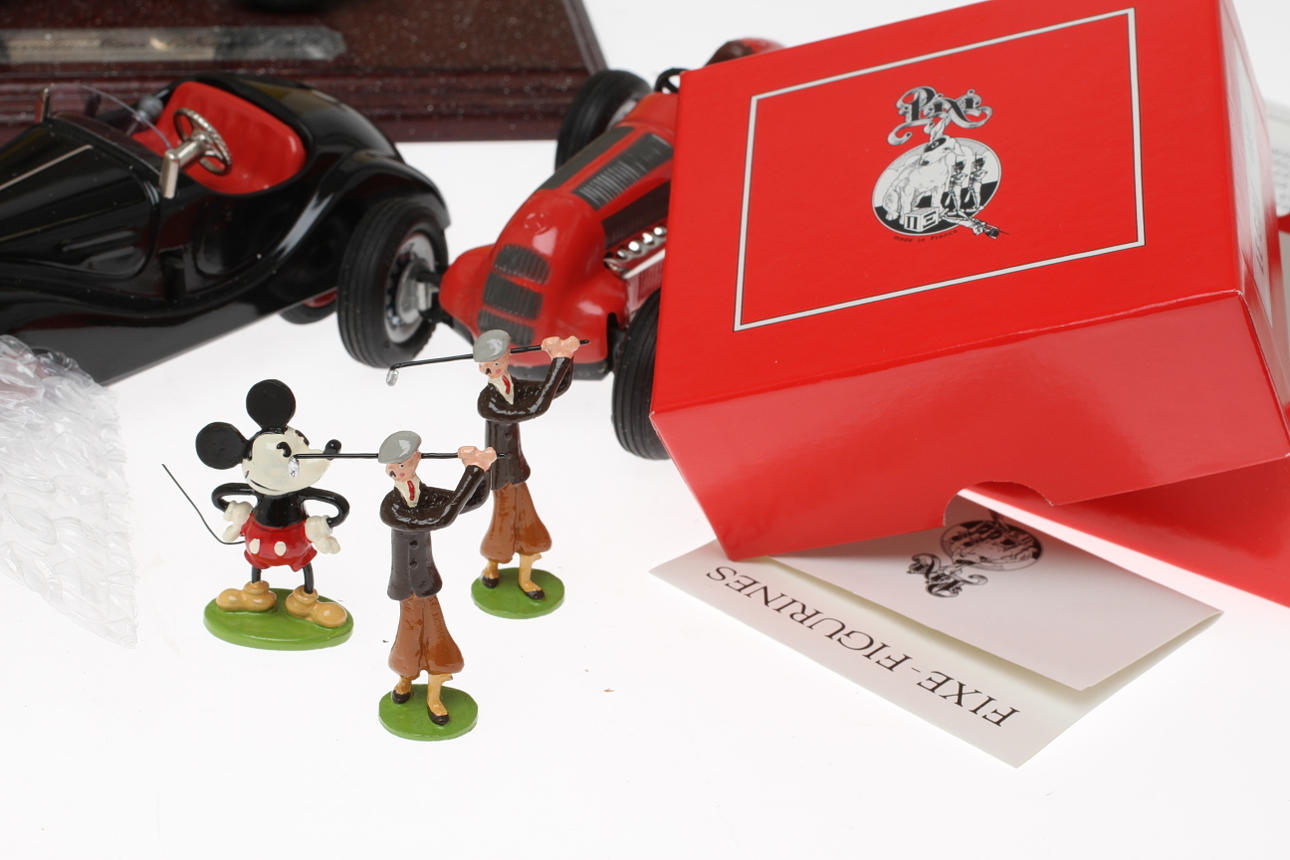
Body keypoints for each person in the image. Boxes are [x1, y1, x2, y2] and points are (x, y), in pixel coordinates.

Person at [378, 430, 496, 725]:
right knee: (410, 632)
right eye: (392, 467)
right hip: (407, 584)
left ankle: (432, 694)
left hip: (425, 581)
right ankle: (406, 679)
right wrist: (472, 470)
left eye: (402, 464)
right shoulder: (390, 506)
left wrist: (481, 471)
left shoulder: (424, 493)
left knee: (434, 634)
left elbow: (471, 501)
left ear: (417, 459)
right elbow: (442, 517)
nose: (396, 471)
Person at [473, 329, 581, 599]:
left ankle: (519, 575)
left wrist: (565, 359)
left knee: (524, 520)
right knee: (505, 519)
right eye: (486, 366)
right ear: (481, 368)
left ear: (508, 357)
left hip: (516, 471)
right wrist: (557, 360)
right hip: (501, 474)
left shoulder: (514, 385)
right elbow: (534, 408)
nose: (492, 369)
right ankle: (493, 567)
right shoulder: (487, 401)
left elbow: (554, 389)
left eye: (497, 362)